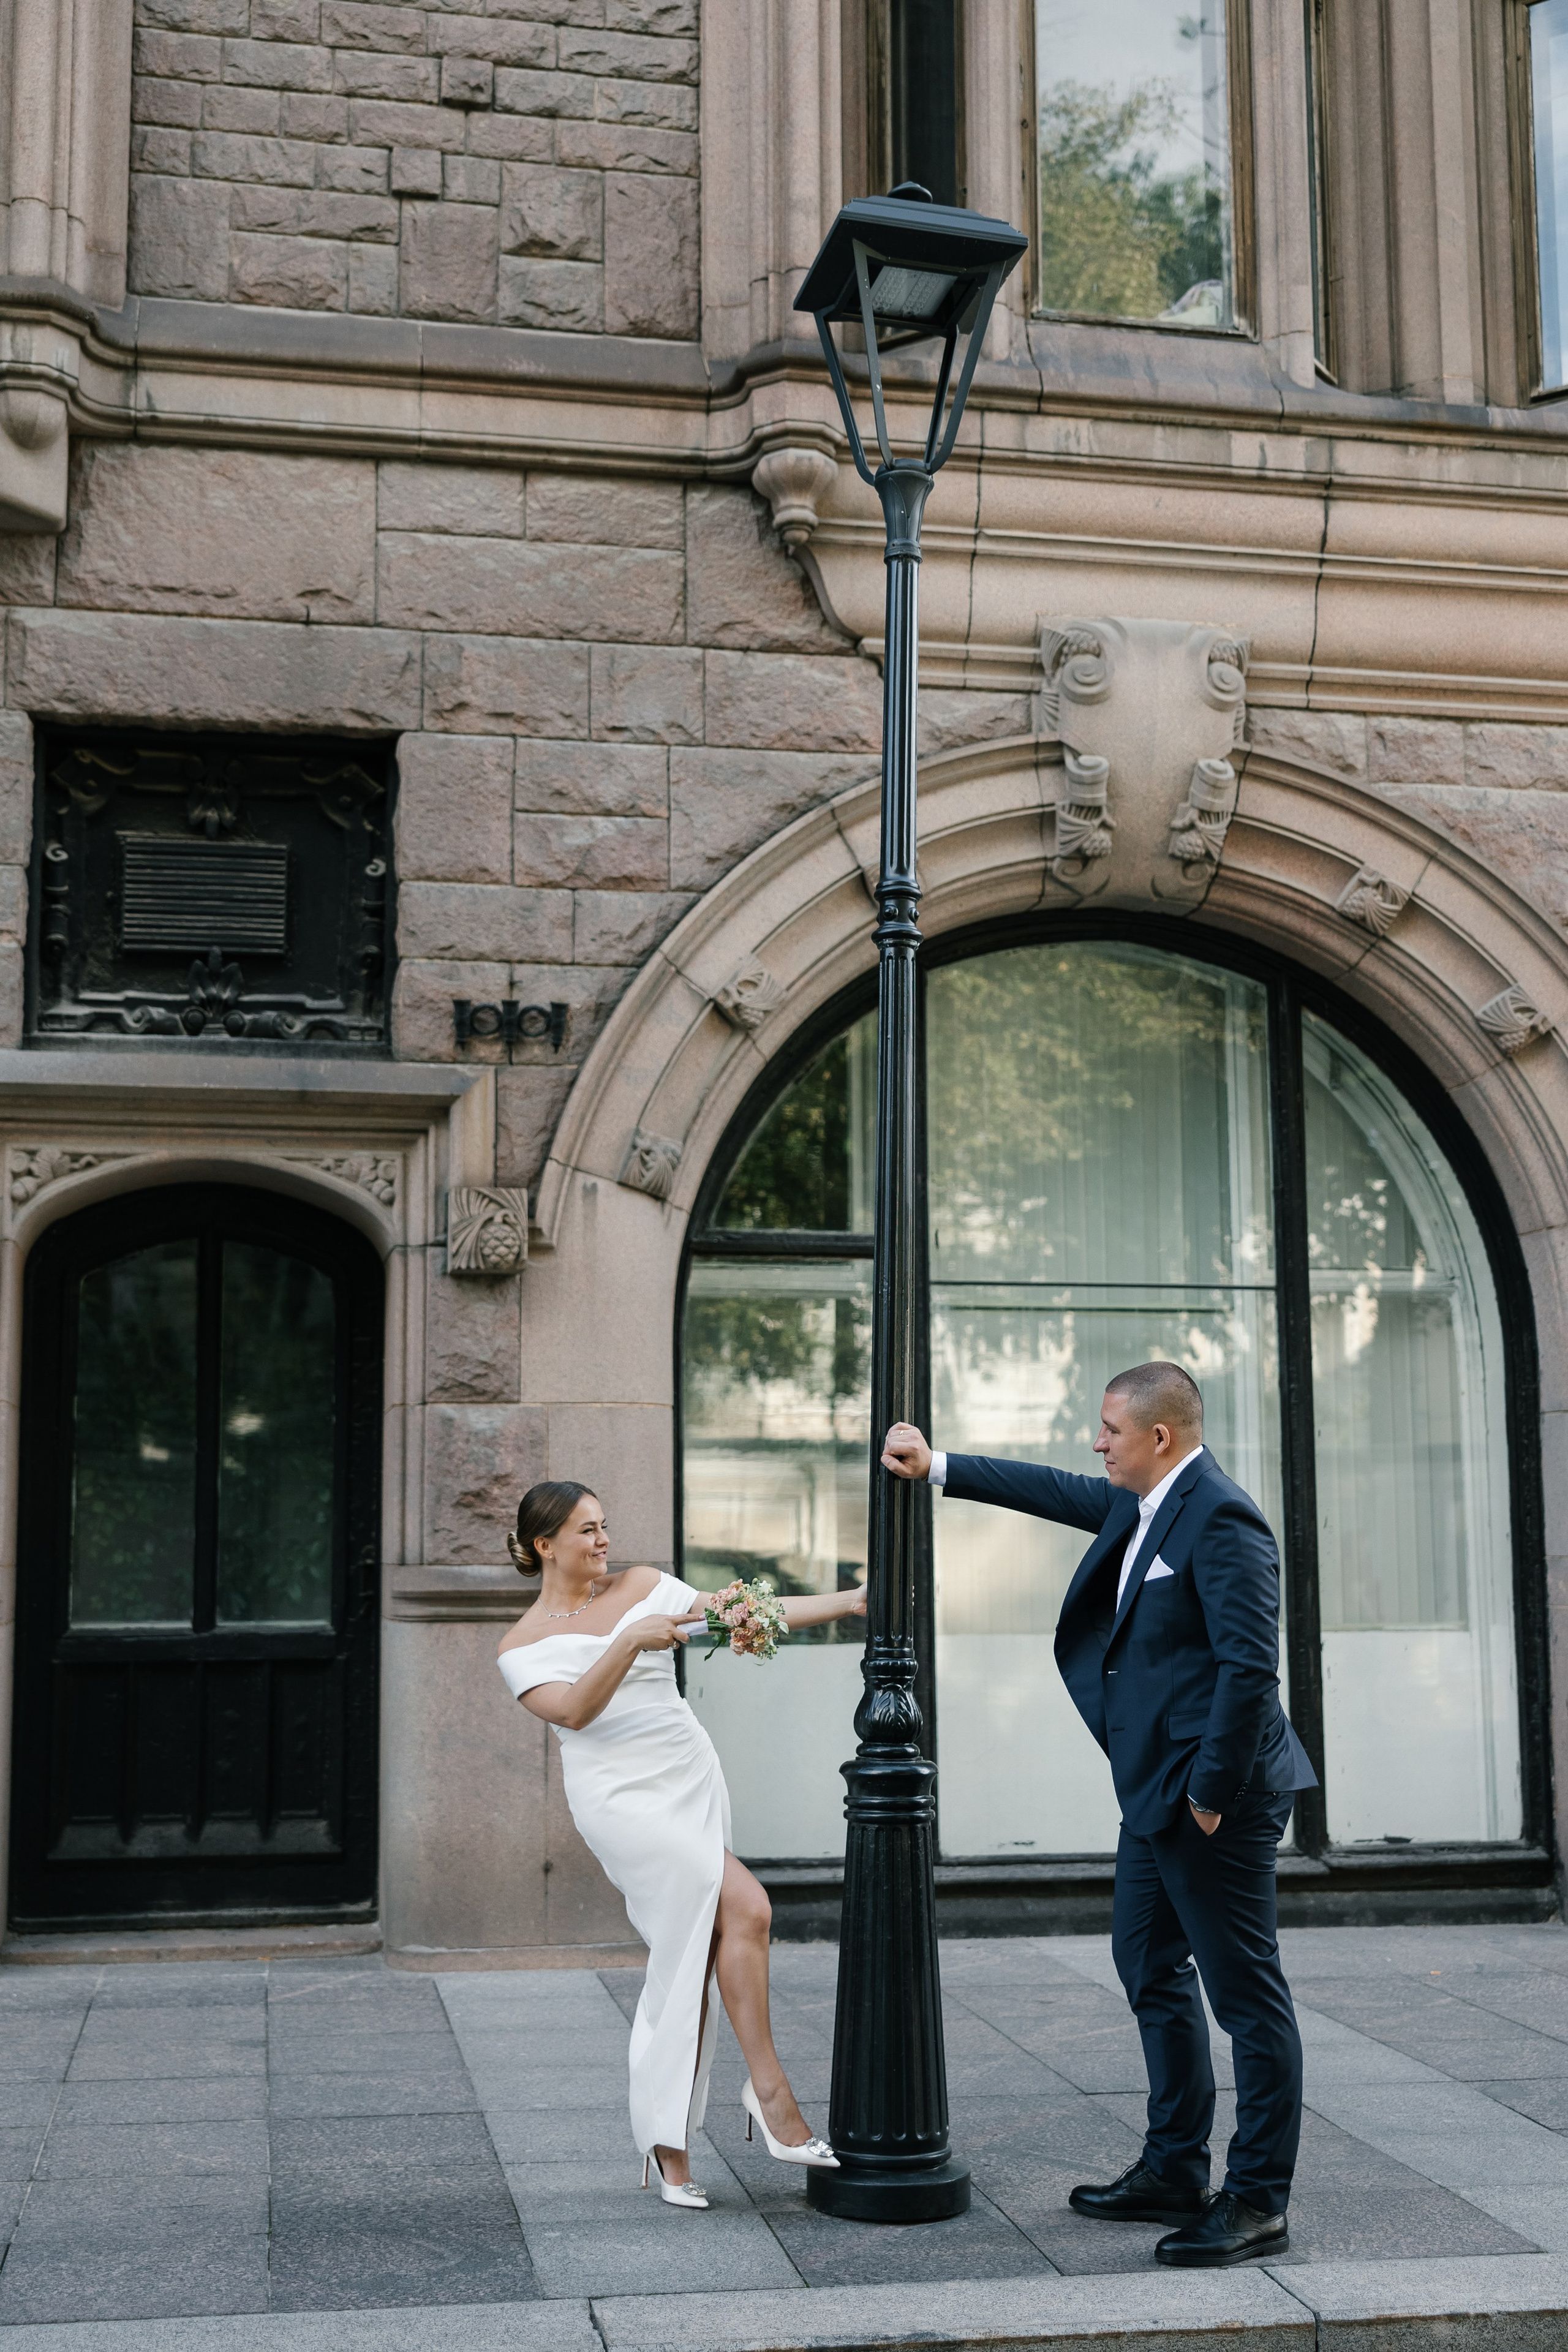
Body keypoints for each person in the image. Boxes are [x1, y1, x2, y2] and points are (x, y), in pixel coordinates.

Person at [882, 1363, 1317, 2268]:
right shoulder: (1141, 1501)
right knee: (1149, 1963)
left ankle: (1258, 2200)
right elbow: (1053, 1490)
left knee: (1248, 2000)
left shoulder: (1224, 1518)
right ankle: (1172, 2167)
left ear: (1160, 1436)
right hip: (1155, 1786)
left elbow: (1249, 1670)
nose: (1097, 1442)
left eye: (1111, 1428)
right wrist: (938, 1465)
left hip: (1215, 1797)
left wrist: (1205, 1795)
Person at [496, 1480, 865, 2208]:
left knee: (694, 1948)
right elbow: (571, 1711)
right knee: (747, 1910)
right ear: (545, 1545)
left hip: (686, 1774)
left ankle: (670, 2145)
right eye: (585, 1531)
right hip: (622, 1802)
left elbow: (748, 1616)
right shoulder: (521, 1645)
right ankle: (771, 2098)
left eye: (604, 1524)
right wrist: (631, 1638)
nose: (604, 1541)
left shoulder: (645, 1583)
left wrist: (848, 1603)